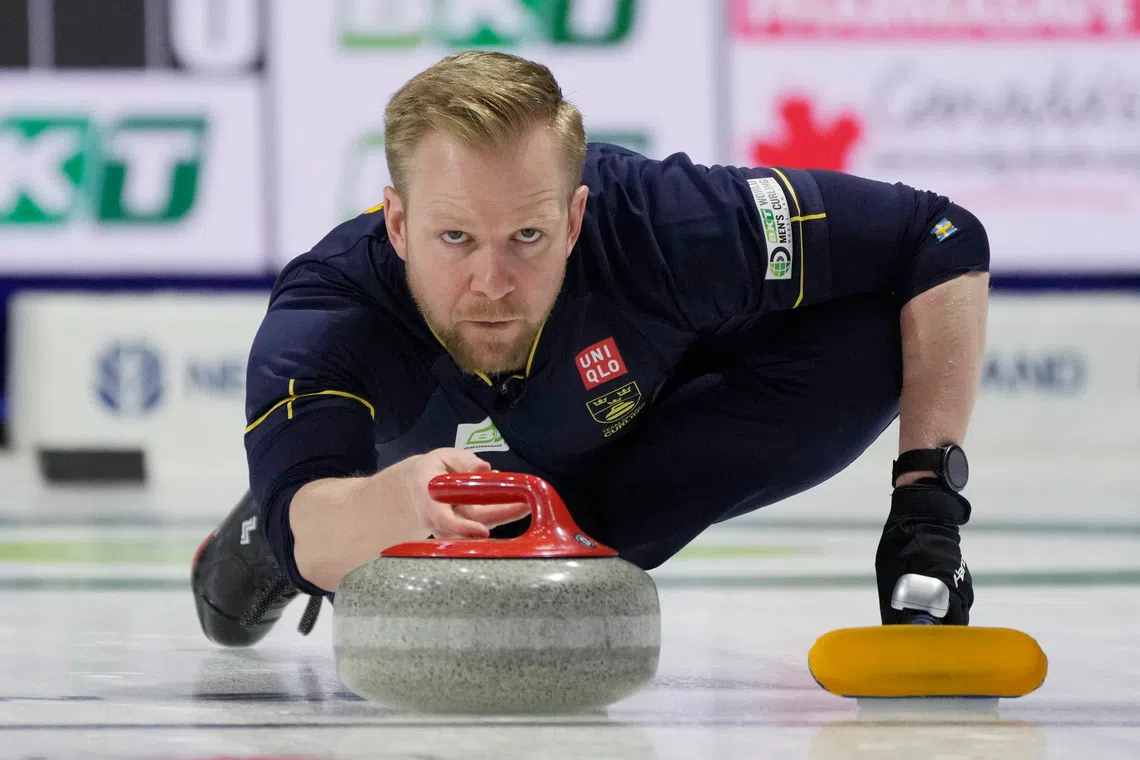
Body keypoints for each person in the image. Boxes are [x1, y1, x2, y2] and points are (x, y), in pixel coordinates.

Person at [191, 51, 988, 647]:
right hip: (404, 478)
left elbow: (940, 237)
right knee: (233, 603)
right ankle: (251, 537)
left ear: (577, 218)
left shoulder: (664, 222)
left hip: (631, 440)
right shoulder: (329, 311)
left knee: (875, 337)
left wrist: (927, 507)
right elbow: (307, 526)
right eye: (455, 237)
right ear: (397, 224)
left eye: (528, 235)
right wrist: (402, 503)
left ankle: (582, 540)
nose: (493, 281)